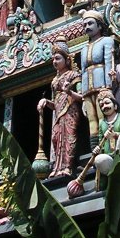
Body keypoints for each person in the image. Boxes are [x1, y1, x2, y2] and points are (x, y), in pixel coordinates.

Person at [37, 44, 83, 179]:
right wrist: (46, 102)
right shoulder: (54, 81)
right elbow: (54, 103)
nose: (54, 62)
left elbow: (81, 96)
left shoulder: (74, 75)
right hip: (58, 113)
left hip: (71, 110)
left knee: (69, 136)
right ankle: (58, 167)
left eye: (58, 58)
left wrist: (69, 91)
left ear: (67, 60)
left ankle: (68, 167)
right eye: (53, 60)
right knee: (56, 137)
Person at [78, 11, 115, 148]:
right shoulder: (83, 49)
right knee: (91, 121)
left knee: (102, 119)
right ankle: (95, 151)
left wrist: (108, 87)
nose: (87, 27)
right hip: (88, 88)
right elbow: (82, 71)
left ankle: (106, 149)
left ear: (99, 26)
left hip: (102, 87)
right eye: (84, 25)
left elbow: (108, 63)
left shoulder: (106, 41)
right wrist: (82, 96)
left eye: (90, 23)